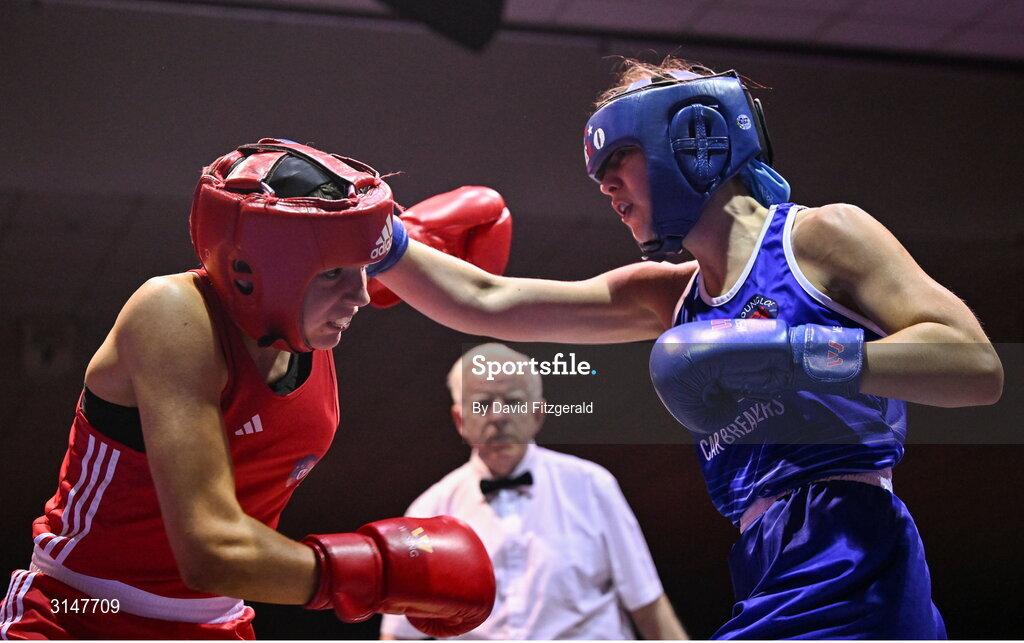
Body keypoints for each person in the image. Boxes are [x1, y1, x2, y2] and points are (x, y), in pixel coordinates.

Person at [363, 59, 1004, 638]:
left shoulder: (820, 238)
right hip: (762, 552)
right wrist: (370, 232)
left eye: (620, 164)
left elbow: (976, 366)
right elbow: (486, 300)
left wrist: (794, 357)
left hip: (849, 544)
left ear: (691, 141)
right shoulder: (669, 299)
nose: (607, 189)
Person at [0, 139, 510, 639]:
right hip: (81, 611)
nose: (359, 294)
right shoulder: (173, 313)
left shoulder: (310, 310)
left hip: (219, 623)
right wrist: (377, 572)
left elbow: (474, 296)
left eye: (362, 269)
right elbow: (210, 552)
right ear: (257, 273)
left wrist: (400, 250)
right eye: (334, 271)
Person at [379, 343, 688, 640]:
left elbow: (648, 605)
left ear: (538, 413)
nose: (498, 417)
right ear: (460, 420)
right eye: (482, 404)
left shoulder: (592, 486)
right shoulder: (427, 513)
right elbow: (399, 635)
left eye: (513, 401)